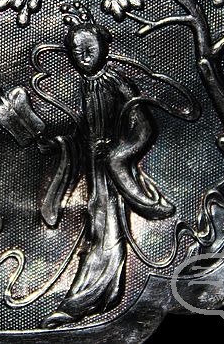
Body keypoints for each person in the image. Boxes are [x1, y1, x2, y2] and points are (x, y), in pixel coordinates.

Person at [39, 19, 176, 328]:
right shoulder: (84, 84)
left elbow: (144, 128)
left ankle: (85, 299)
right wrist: (59, 143)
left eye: (90, 48)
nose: (84, 56)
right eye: (77, 51)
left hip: (111, 173)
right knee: (96, 228)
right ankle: (97, 295)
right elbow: (80, 133)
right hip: (94, 171)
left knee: (107, 232)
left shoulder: (116, 82)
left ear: (103, 46)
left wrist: (118, 153)